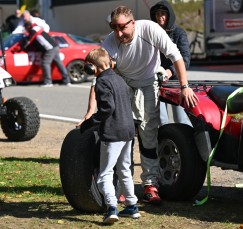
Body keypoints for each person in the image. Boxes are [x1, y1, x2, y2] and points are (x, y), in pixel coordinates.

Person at [79, 5, 198, 205]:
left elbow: (176, 56)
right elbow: (96, 79)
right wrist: (90, 111)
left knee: (147, 133)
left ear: (133, 22)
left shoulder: (150, 29)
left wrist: (185, 86)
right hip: (122, 82)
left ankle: (151, 184)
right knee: (122, 133)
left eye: (122, 28)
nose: (118, 33)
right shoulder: (111, 41)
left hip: (148, 82)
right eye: (114, 27)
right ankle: (124, 187)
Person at [80, 48, 140, 224]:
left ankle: (111, 207)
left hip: (113, 133)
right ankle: (132, 206)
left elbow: (107, 108)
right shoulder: (120, 79)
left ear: (92, 67)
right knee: (124, 170)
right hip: (128, 131)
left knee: (104, 174)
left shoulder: (101, 82)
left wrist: (90, 123)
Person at [150, 0, 192, 126]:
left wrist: (170, 71)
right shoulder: (152, 33)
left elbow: (185, 60)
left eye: (163, 13)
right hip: (157, 82)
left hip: (176, 82)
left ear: (169, 15)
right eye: (157, 14)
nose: (160, 17)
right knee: (161, 121)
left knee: (181, 120)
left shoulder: (179, 33)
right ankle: (165, 145)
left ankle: (186, 144)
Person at [23, 21, 71, 86]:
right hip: (55, 46)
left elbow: (29, 40)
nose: (26, 30)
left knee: (45, 63)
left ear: (28, 27)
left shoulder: (33, 30)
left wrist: (23, 46)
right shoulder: (37, 27)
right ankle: (67, 81)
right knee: (59, 63)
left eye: (26, 29)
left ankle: (48, 82)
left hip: (50, 48)